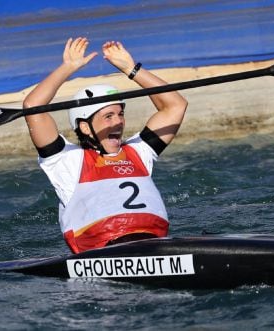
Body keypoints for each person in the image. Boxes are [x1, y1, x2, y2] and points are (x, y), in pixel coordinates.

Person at [23, 37, 188, 254]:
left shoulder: (138, 152)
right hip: (103, 253)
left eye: (120, 114)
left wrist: (132, 69)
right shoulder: (67, 162)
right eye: (108, 116)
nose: (118, 121)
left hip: (157, 247)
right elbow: (33, 106)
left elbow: (175, 105)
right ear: (85, 128)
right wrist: (68, 68)